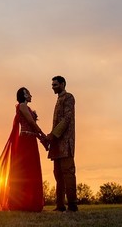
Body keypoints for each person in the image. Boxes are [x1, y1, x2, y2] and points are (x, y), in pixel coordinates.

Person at [0, 87, 46, 212]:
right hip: (26, 140)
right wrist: (42, 134)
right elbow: (30, 121)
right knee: (26, 171)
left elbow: (31, 124)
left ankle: (30, 202)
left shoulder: (26, 107)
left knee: (32, 169)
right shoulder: (22, 106)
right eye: (29, 93)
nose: (31, 95)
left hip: (31, 139)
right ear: (24, 95)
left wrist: (41, 138)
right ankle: (22, 203)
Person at [46, 75, 78, 212]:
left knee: (68, 174)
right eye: (52, 85)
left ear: (63, 84)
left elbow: (67, 119)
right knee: (58, 174)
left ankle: (72, 205)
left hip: (66, 143)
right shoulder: (58, 99)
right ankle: (60, 205)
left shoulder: (68, 97)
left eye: (55, 84)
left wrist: (53, 134)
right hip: (57, 144)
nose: (53, 87)